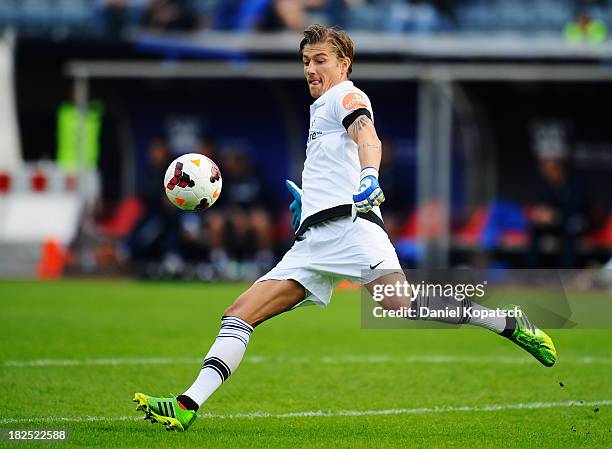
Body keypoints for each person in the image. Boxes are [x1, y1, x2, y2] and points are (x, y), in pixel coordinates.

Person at [133, 24, 557, 431]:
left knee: (402, 306)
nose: (311, 70)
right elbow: (336, 162)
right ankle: (187, 406)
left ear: (344, 64)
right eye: (305, 61)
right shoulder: (319, 110)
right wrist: (310, 206)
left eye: (320, 60)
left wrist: (370, 175)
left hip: (353, 230)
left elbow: (367, 136)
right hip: (312, 243)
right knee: (238, 315)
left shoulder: (346, 96)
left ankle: (506, 321)